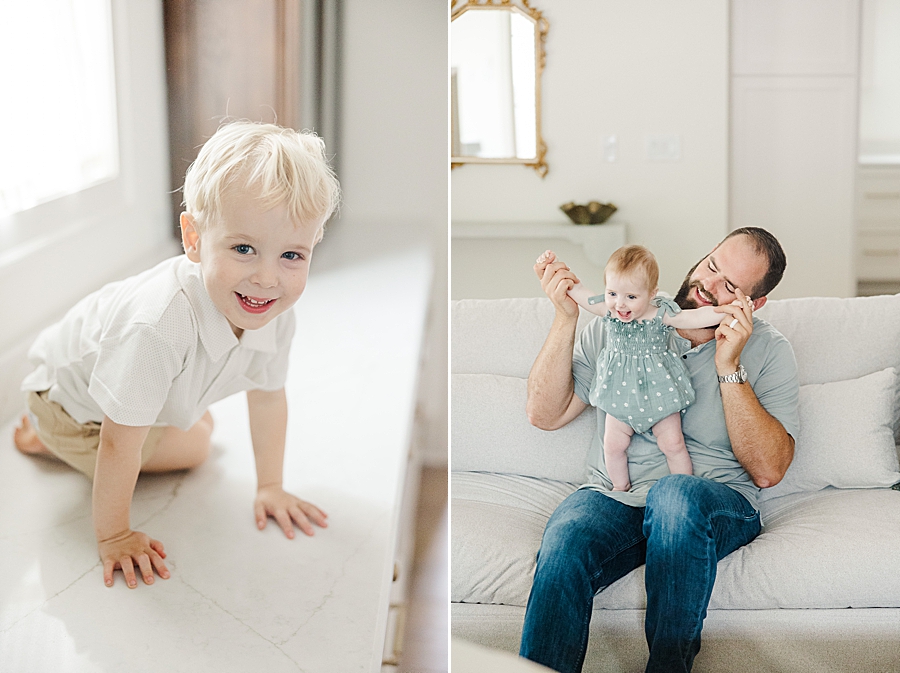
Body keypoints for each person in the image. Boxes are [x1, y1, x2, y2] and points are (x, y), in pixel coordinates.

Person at [12, 121, 341, 590]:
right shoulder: (156, 327)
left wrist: (270, 485)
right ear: (193, 237)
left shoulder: (272, 312)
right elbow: (117, 443)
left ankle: (76, 431)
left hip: (123, 388)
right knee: (197, 445)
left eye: (292, 255)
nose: (268, 279)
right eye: (244, 248)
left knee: (197, 424)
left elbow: (268, 397)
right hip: (71, 406)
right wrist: (114, 535)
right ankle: (45, 436)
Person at [520, 228, 799, 673]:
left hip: (713, 499)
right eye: (712, 265)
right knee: (568, 536)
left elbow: (768, 471)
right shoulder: (630, 313)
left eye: (730, 286)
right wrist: (566, 318)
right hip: (616, 494)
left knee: (674, 494)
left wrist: (729, 365)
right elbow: (545, 414)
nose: (709, 285)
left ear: (754, 303)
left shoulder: (769, 350)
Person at [536, 246, 744, 492]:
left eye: (631, 297)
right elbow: (577, 291)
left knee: (674, 444)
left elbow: (695, 318)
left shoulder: (660, 313)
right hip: (619, 394)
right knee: (612, 446)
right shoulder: (608, 310)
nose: (621, 304)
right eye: (613, 293)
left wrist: (730, 310)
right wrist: (552, 267)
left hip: (659, 390)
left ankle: (683, 486)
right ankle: (619, 486)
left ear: (651, 293)